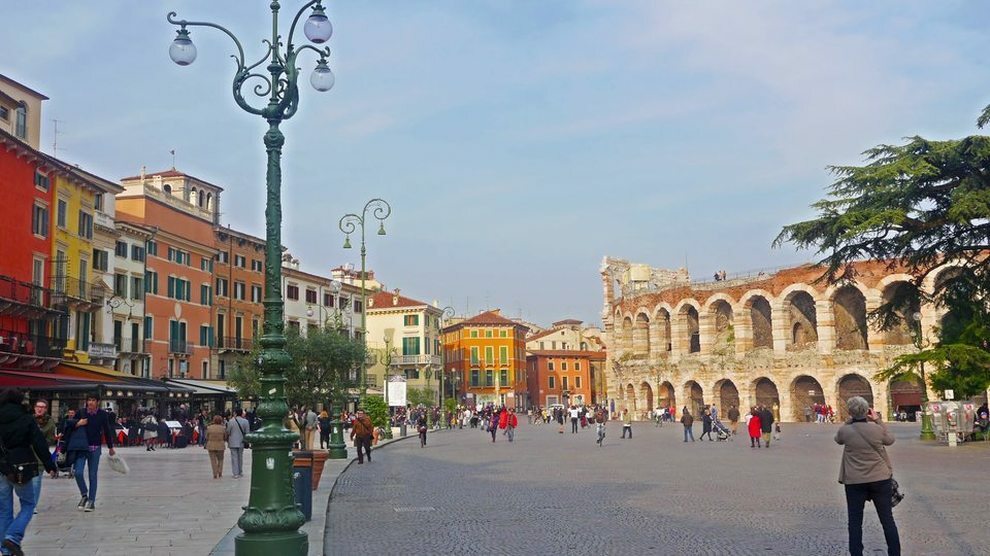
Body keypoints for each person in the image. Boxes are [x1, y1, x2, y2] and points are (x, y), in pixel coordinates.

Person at [835, 396, 900, 556]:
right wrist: (878, 420)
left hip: (855, 481)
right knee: (887, 520)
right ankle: (895, 553)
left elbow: (838, 439)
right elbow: (890, 439)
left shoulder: (845, 431)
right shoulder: (876, 430)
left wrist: (849, 421)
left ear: (850, 412)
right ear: (867, 412)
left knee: (855, 521)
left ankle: (856, 553)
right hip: (880, 479)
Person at [0, 389, 58, 556]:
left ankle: (5, 550)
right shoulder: (26, 418)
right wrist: (50, 465)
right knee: (28, 504)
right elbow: (39, 442)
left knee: (4, 509)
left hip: (2, 467)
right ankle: (13, 537)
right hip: (22, 466)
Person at [71, 394, 116, 512]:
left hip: (95, 448)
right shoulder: (81, 413)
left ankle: (91, 501)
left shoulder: (102, 415)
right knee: (78, 472)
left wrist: (111, 447)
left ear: (97, 402)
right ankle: (84, 494)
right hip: (81, 447)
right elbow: (70, 426)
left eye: (93, 400)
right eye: (89, 400)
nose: (90, 402)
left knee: (92, 474)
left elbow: (107, 430)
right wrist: (78, 423)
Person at [225, 409, 250, 479]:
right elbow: (247, 432)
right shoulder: (245, 421)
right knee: (240, 457)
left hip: (232, 441)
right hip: (241, 441)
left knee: (234, 457)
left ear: (235, 413)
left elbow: (228, 431)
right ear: (242, 413)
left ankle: (235, 473)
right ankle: (240, 472)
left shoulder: (231, 421)